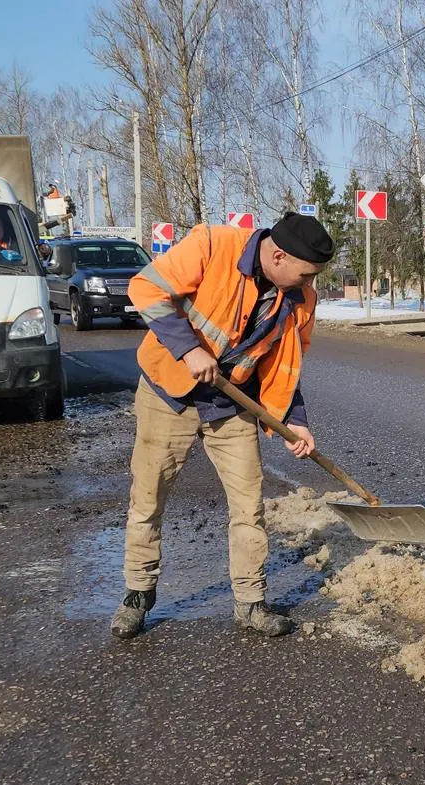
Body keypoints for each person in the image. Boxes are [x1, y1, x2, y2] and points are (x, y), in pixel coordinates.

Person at [113, 211, 336, 640]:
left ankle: (250, 603)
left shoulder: (301, 299)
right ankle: (137, 595)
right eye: (306, 274)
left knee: (249, 505)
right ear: (277, 255)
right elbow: (146, 288)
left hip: (231, 406)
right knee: (148, 499)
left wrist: (296, 421)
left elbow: (285, 364)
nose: (310, 285)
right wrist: (187, 349)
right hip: (169, 393)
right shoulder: (213, 244)